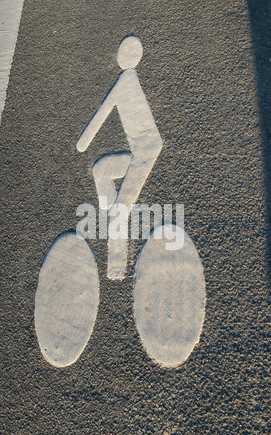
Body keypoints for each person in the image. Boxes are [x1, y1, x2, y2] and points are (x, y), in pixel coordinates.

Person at [77, 35, 163, 279]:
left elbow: (100, 117)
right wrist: (83, 142)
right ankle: (111, 210)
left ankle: (116, 265)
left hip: (146, 150)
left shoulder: (127, 81)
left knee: (119, 211)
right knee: (101, 169)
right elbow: (101, 115)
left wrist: (83, 142)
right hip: (138, 150)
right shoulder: (124, 81)